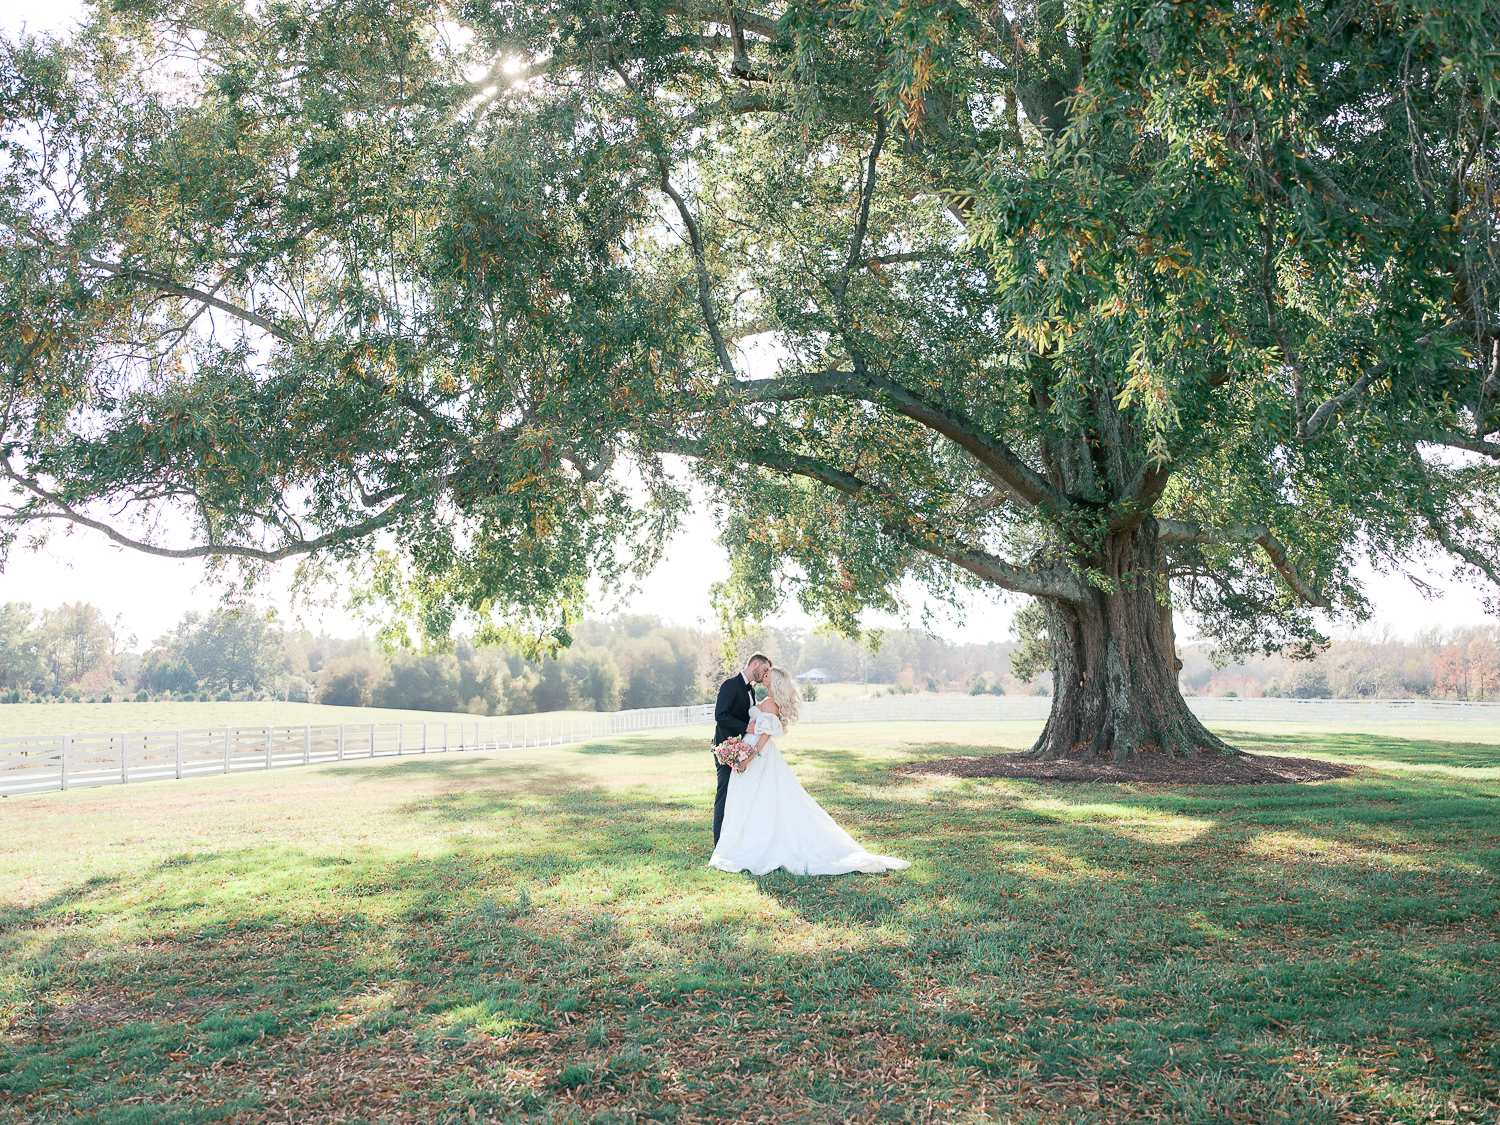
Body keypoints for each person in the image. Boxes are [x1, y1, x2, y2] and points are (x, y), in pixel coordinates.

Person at [710, 667, 910, 876]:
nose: (765, 675)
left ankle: (751, 843)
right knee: (750, 797)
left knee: (756, 797)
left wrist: (749, 756)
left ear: (775, 682)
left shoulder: (770, 704)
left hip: (757, 754)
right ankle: (742, 840)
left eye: (768, 675)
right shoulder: (766, 699)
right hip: (750, 749)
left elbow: (765, 735)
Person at [711, 653, 771, 845]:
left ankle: (736, 839)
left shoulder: (751, 691)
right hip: (726, 749)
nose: (765, 674)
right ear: (754, 664)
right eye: (764, 670)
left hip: (742, 751)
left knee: (738, 795)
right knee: (725, 794)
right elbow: (720, 715)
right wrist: (745, 728)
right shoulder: (730, 684)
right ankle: (719, 843)